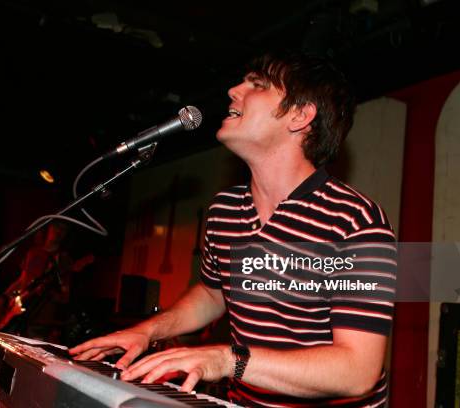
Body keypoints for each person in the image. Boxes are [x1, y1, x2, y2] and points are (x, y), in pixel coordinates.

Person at [69, 53, 397, 407]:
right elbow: (214, 294)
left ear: (301, 116)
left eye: (257, 85)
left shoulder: (354, 221)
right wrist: (147, 331)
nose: (233, 90)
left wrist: (227, 360)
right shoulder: (226, 210)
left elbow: (357, 370)